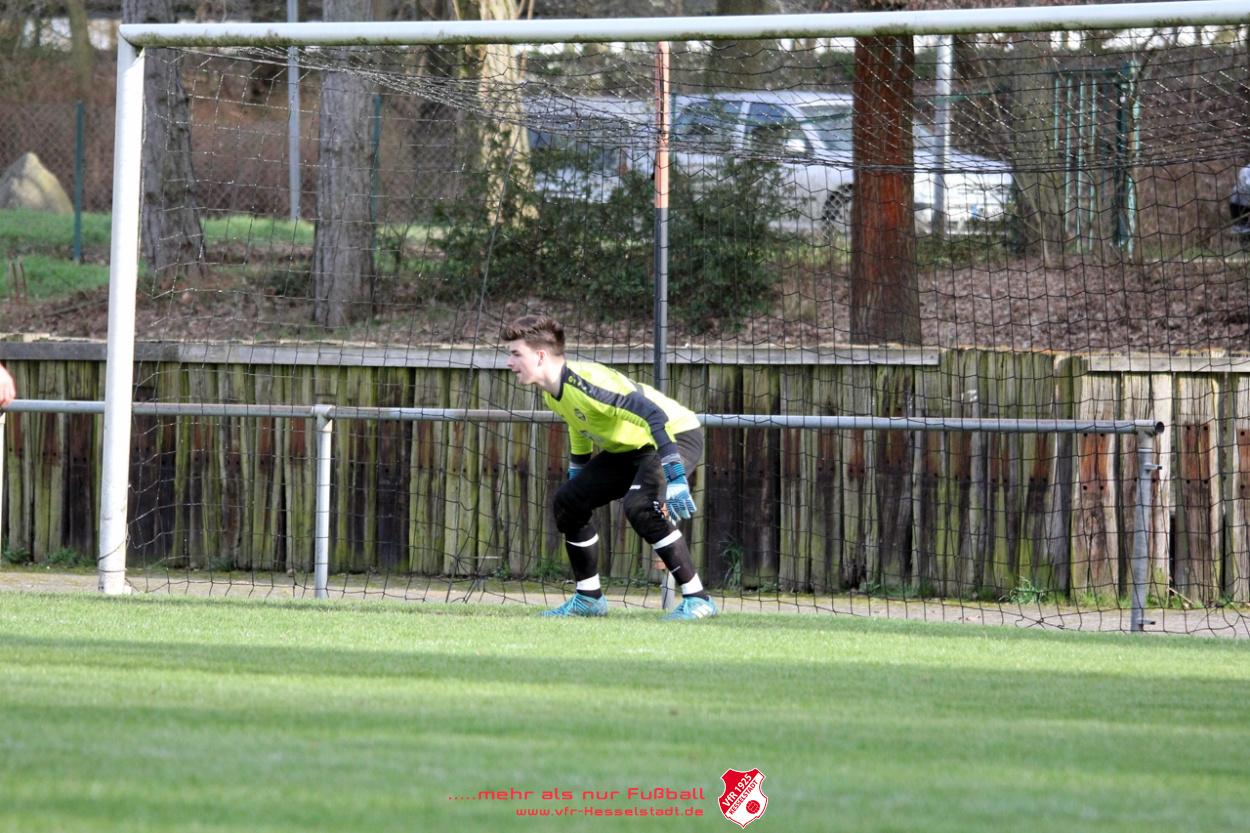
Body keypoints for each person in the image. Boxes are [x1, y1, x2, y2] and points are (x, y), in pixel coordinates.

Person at [503, 315, 717, 620]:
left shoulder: (588, 383)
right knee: (568, 501)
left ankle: (699, 599)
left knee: (640, 506)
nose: (509, 362)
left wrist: (675, 475)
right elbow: (580, 423)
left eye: (515, 354)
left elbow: (655, 416)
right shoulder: (553, 392)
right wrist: (578, 476)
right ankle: (589, 599)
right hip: (629, 448)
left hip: (674, 434)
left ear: (539, 356)